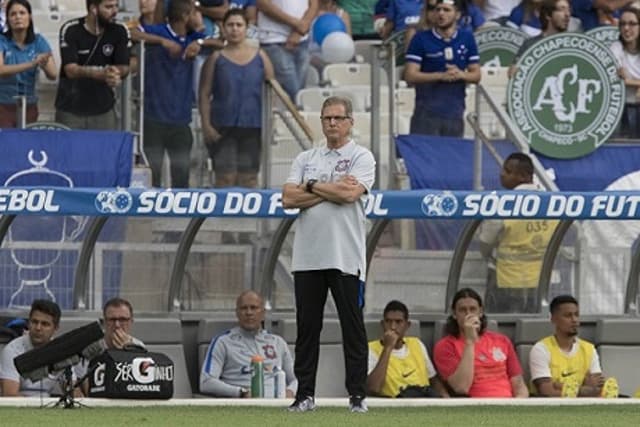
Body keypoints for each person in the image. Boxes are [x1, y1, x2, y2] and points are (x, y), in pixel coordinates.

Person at [282, 95, 375, 413]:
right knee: (308, 328)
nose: (332, 123)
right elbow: (287, 198)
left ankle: (357, 396)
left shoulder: (362, 156)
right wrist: (324, 187)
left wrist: (310, 187)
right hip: (308, 257)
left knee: (353, 327)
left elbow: (350, 194)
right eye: (326, 118)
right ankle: (304, 394)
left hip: (345, 256)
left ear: (350, 121)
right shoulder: (306, 158)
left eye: (338, 118)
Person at [135, 0, 209, 188]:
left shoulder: (194, 38)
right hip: (154, 118)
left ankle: (180, 216)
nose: (199, 18)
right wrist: (162, 42)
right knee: (154, 174)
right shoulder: (160, 31)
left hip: (181, 120)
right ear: (185, 16)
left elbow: (222, 41)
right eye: (195, 13)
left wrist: (199, 42)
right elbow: (132, 33)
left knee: (181, 174)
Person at [198, 8, 275, 189]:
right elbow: (204, 93)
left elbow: (272, 90)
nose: (234, 29)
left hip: (253, 126)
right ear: (223, 28)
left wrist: (271, 123)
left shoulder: (261, 56)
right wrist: (206, 125)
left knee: (249, 179)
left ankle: (249, 218)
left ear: (246, 28)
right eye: (230, 25)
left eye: (239, 25)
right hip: (222, 127)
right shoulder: (215, 58)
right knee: (225, 178)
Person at [477, 153, 558, 313]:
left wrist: (489, 255)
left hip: (507, 282)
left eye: (507, 171)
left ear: (523, 176)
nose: (501, 174)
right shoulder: (551, 202)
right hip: (544, 280)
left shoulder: (502, 203)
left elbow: (485, 243)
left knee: (502, 329)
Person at [433, 288, 529, 397]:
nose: (468, 314)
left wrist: (518, 404)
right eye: (462, 310)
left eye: (473, 309)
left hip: (508, 403)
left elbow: (519, 384)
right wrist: (469, 342)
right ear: (454, 314)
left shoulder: (501, 340)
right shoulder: (445, 346)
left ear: (481, 312)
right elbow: (461, 387)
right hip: (474, 406)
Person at [404, 0, 480, 137]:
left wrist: (460, 74)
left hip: (455, 112)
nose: (441, 14)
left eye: (446, 10)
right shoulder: (420, 39)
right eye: (438, 9)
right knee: (423, 156)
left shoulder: (467, 38)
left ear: (457, 15)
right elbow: (410, 75)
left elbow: (476, 75)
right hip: (425, 113)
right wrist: (440, 76)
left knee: (450, 156)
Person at [199, 290, 297, 397]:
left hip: (278, 404)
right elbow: (206, 382)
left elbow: (297, 379)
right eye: (244, 308)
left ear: (263, 313)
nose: (249, 313)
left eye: (254, 308)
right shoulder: (223, 342)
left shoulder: (278, 342)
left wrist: (291, 391)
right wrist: (241, 393)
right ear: (236, 313)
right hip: (242, 405)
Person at [54, 0, 130, 130]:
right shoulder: (71, 29)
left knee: (104, 149)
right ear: (93, 8)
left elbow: (124, 65)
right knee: (69, 149)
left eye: (116, 6)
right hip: (71, 109)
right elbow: (70, 69)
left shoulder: (120, 30)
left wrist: (115, 72)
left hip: (103, 109)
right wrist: (100, 73)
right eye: (108, 7)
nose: (115, 11)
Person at [529, 295, 619, 397]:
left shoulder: (589, 349)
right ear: (553, 319)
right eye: (568, 316)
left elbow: (597, 388)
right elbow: (547, 392)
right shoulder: (541, 349)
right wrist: (584, 389)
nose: (574, 320)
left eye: (576, 315)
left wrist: (559, 386)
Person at [367, 300, 449, 398]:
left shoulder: (417, 344)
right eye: (388, 321)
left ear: (407, 325)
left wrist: (445, 397)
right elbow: (373, 388)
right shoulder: (371, 349)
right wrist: (388, 348)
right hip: (394, 404)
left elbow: (433, 380)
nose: (393, 327)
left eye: (398, 322)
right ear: (382, 324)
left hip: (423, 401)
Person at [0, 299, 82, 396]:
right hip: (19, 408)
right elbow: (10, 395)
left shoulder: (61, 352)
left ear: (55, 328)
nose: (38, 328)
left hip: (48, 406)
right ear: (28, 323)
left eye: (45, 324)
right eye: (34, 322)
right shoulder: (13, 350)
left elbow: (74, 395)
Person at [0, 0, 57, 128]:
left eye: (22, 13)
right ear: (8, 19)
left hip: (29, 105)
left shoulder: (39, 41)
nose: (18, 17)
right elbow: (1, 70)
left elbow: (53, 74)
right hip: (3, 105)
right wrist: (32, 63)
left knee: (27, 145)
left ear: (30, 17)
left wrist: (44, 62)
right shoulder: (1, 40)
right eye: (13, 14)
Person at [256, 0, 318, 100]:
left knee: (300, 92)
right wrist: (296, 24)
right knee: (293, 92)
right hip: (274, 39)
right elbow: (263, 4)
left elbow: (314, 4)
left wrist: (299, 31)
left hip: (302, 39)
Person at [508, 0, 570, 78]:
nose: (567, 14)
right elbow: (514, 75)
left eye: (568, 10)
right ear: (548, 15)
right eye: (561, 9)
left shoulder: (573, 46)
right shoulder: (530, 45)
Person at [611, 7, 640, 138]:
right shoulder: (616, 47)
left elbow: (625, 81)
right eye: (622, 24)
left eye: (632, 24)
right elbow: (616, 80)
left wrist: (628, 81)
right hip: (623, 108)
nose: (626, 28)